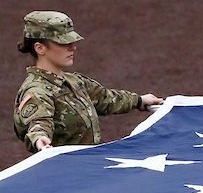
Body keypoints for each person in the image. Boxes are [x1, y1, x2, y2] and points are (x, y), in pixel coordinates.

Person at [14, 10, 164, 153]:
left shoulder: (74, 81)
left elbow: (106, 99)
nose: (73, 47)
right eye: (63, 43)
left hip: (86, 166)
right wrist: (39, 138)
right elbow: (37, 123)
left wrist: (139, 100)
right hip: (64, 173)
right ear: (40, 48)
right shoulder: (37, 91)